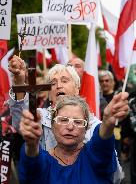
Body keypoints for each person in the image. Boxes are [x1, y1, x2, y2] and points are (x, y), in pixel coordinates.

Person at [8, 55, 124, 183]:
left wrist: (107, 125)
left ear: (77, 89)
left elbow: (110, 168)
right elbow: (22, 121)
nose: (58, 85)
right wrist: (19, 82)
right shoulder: (39, 117)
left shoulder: (95, 125)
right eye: (52, 83)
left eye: (64, 80)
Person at [19, 94, 129, 184]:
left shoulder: (93, 156)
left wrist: (107, 122)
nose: (70, 127)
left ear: (86, 129)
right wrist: (32, 144)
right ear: (52, 125)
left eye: (78, 122)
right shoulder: (44, 162)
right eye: (63, 120)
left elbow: (102, 144)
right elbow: (31, 165)